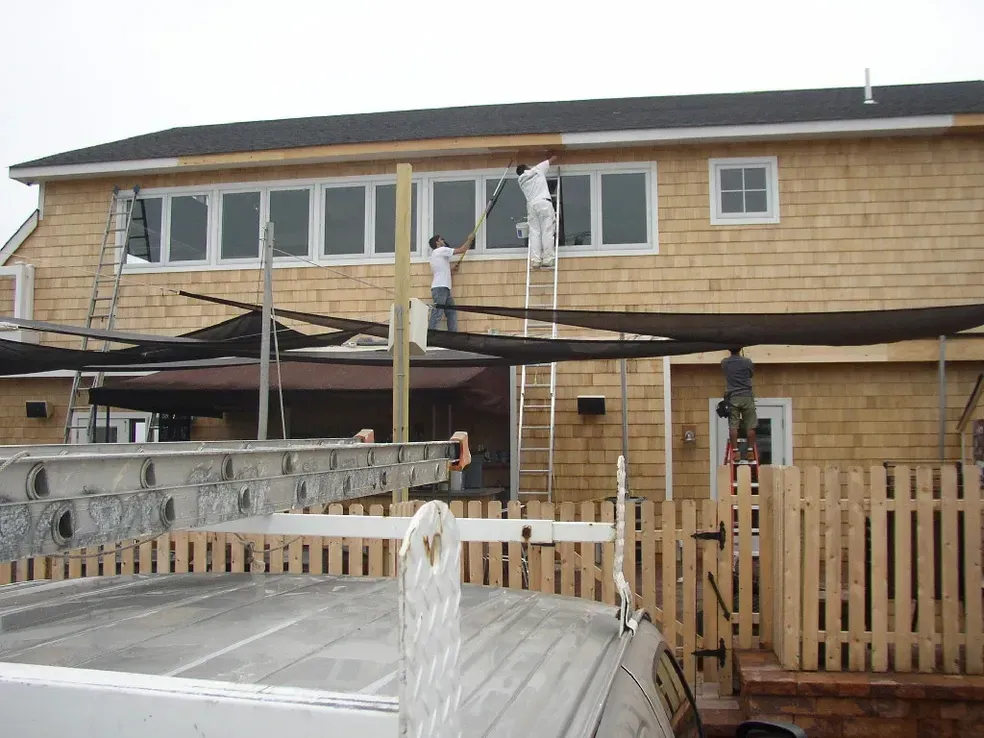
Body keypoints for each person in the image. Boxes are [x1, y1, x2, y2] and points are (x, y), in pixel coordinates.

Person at [516, 155, 558, 268]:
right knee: (547, 230)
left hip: (531, 206)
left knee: (534, 232)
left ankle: (535, 260)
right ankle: (548, 259)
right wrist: (554, 155)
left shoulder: (521, 181)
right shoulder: (537, 170)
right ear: (526, 168)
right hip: (543, 203)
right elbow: (551, 160)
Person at [427, 232, 473, 331]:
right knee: (438, 312)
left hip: (443, 288)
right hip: (441, 288)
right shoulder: (441, 250)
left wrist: (451, 270)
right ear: (437, 242)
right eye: (441, 239)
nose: (444, 240)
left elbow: (441, 271)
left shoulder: (435, 255)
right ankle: (430, 335)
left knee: (451, 312)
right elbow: (462, 250)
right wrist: (469, 239)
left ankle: (452, 335)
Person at [721, 347, 757, 461]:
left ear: (729, 349)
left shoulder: (725, 362)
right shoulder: (747, 361)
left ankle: (735, 452)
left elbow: (725, 373)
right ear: (740, 348)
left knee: (733, 426)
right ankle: (750, 452)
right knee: (750, 425)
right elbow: (751, 374)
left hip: (733, 397)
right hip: (747, 396)